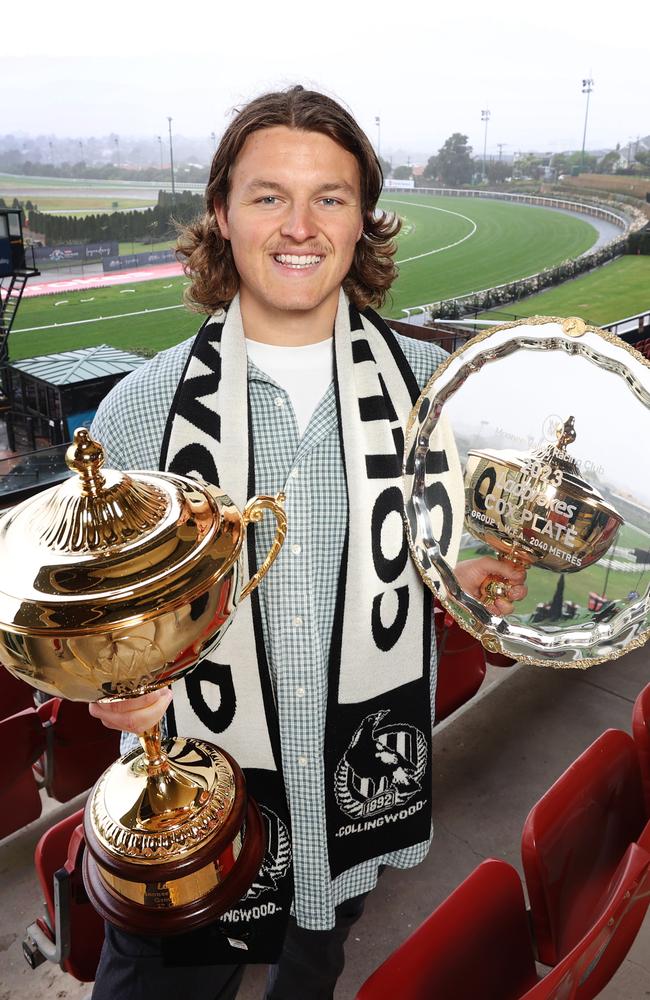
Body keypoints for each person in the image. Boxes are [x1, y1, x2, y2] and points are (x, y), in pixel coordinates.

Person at [89, 85, 527, 1000]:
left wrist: (470, 579)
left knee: (309, 982)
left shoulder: (428, 392)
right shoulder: (140, 412)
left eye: (329, 196)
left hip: (349, 808)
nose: (300, 225)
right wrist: (113, 687)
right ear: (220, 211)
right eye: (267, 196)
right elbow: (96, 623)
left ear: (363, 217)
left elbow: (427, 555)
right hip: (192, 828)